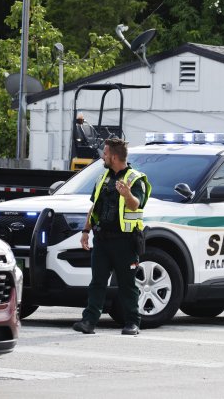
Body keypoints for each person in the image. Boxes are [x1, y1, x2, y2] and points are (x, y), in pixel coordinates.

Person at [73, 137, 151, 336]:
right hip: (102, 239)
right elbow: (94, 206)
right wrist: (85, 231)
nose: (103, 157)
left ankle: (133, 323)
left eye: (105, 154)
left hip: (125, 241)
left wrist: (126, 195)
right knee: (97, 282)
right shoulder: (103, 178)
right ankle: (89, 322)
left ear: (114, 157)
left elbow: (136, 205)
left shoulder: (135, 179)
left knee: (127, 285)